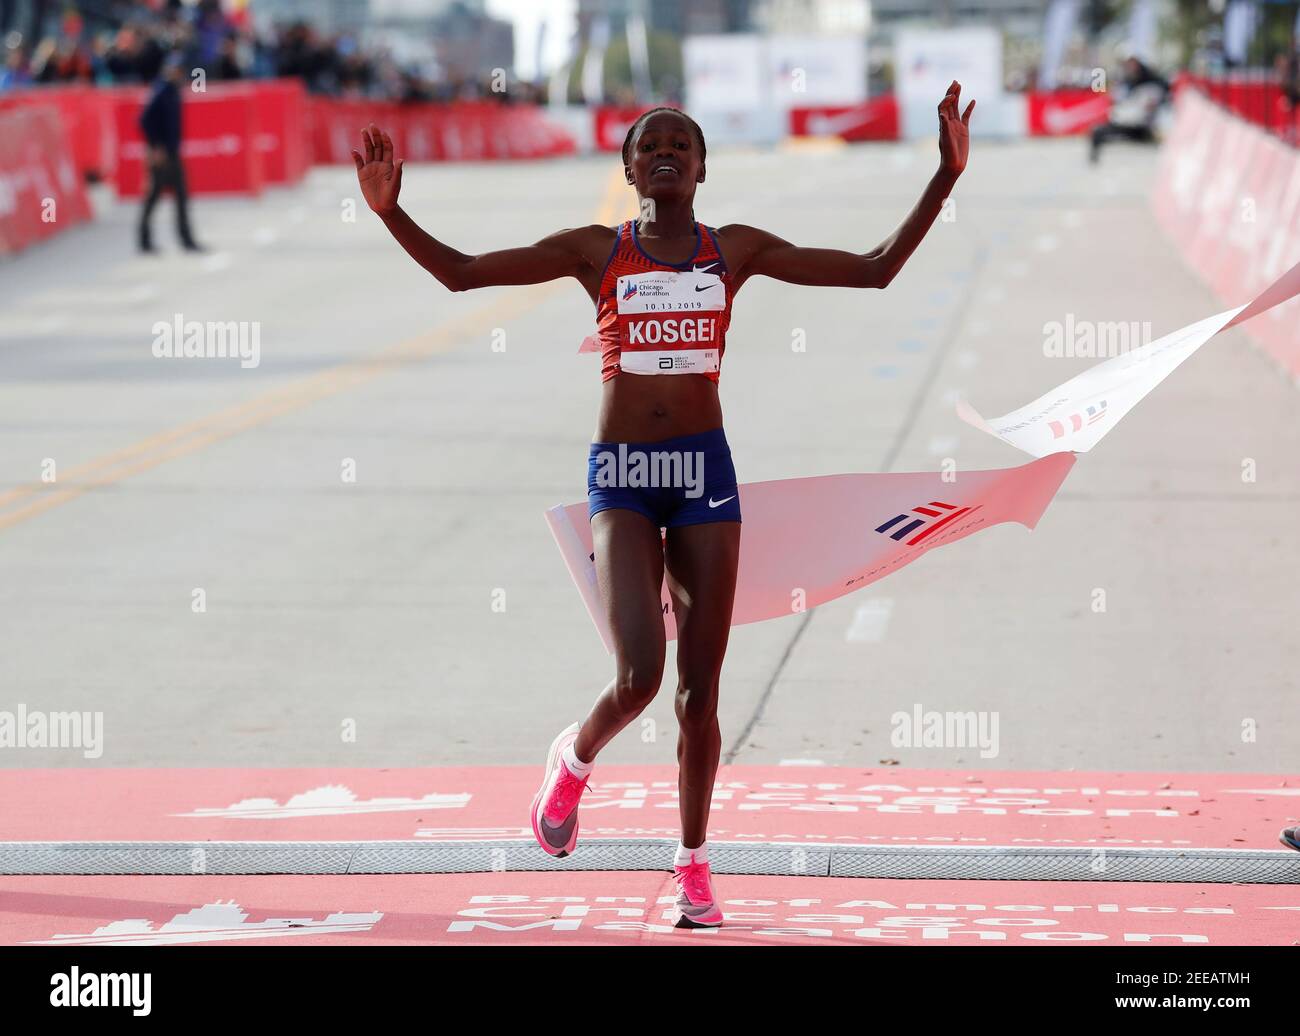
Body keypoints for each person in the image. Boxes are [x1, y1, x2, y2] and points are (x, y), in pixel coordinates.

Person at [353, 83, 973, 928]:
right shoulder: (594, 252)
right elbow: (463, 275)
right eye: (651, 145)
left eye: (682, 142)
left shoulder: (736, 251)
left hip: (705, 477)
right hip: (624, 479)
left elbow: (874, 272)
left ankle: (691, 864)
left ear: (703, 168)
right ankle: (572, 763)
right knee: (640, 679)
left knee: (701, 695)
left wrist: (944, 176)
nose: (667, 153)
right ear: (629, 168)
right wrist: (393, 213)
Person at [138, 52, 203, 253]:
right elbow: (144, 120)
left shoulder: (174, 91)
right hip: (162, 155)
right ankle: (145, 240)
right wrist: (155, 147)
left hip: (173, 153)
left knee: (182, 198)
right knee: (153, 198)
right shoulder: (161, 90)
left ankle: (186, 239)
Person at [1089, 56, 1170, 164]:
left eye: (1133, 64)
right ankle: (1094, 160)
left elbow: (1162, 95)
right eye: (1128, 65)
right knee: (1097, 131)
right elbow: (1120, 102)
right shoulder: (1127, 81)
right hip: (1127, 121)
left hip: (1144, 125)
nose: (1131, 67)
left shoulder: (1153, 83)